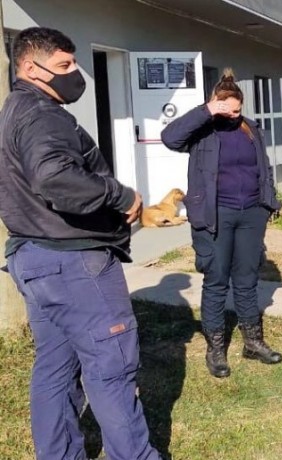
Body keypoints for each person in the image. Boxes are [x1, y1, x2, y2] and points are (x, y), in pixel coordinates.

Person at [0, 27, 161, 459]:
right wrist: (120, 195)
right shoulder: (42, 115)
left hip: (35, 260)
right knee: (112, 368)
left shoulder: (13, 109)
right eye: (65, 66)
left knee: (54, 369)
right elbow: (54, 176)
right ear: (30, 68)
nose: (76, 74)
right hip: (74, 263)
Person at [162, 69, 282, 378]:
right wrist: (207, 111)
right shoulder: (203, 130)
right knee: (216, 280)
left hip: (251, 214)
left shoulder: (250, 129)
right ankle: (216, 349)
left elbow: (263, 167)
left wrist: (267, 202)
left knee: (246, 278)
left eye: (237, 110)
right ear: (215, 103)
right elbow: (170, 137)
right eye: (226, 109)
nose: (232, 115)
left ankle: (253, 342)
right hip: (216, 216)